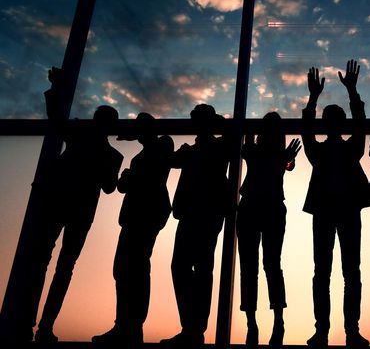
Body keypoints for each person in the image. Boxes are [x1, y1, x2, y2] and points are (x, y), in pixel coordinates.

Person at [26, 67, 123, 343]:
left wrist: (56, 88)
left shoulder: (82, 140)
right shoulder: (111, 155)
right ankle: (43, 326)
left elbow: (56, 119)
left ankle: (35, 323)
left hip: (62, 204)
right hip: (77, 211)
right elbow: (109, 187)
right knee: (60, 267)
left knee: (45, 262)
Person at [302, 60, 370, 348]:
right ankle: (335, 330)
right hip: (338, 213)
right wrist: (317, 98)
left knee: (337, 272)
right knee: (337, 272)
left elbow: (360, 126)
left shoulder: (333, 151)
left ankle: (340, 330)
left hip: (337, 213)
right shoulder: (342, 151)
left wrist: (349, 95)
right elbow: (359, 127)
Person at [93, 112, 174, 346]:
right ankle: (124, 325)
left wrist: (131, 177)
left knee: (135, 268)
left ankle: (131, 326)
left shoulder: (162, 143)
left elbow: (139, 179)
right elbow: (123, 186)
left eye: (140, 127)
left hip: (147, 214)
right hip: (135, 215)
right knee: (124, 269)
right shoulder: (142, 155)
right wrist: (129, 178)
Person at [160, 104, 233, 347]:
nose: (194, 125)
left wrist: (217, 122)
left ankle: (194, 329)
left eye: (199, 120)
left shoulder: (219, 146)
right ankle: (191, 327)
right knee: (182, 267)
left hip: (207, 214)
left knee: (199, 269)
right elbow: (170, 160)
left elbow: (231, 132)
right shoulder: (191, 151)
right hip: (190, 213)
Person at [236, 112, 301, 348]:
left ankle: (257, 324)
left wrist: (286, 160)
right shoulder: (273, 154)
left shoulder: (260, 152)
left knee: (256, 267)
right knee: (269, 265)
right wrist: (286, 159)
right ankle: (271, 322)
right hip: (266, 207)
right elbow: (287, 165)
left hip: (255, 207)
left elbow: (287, 165)